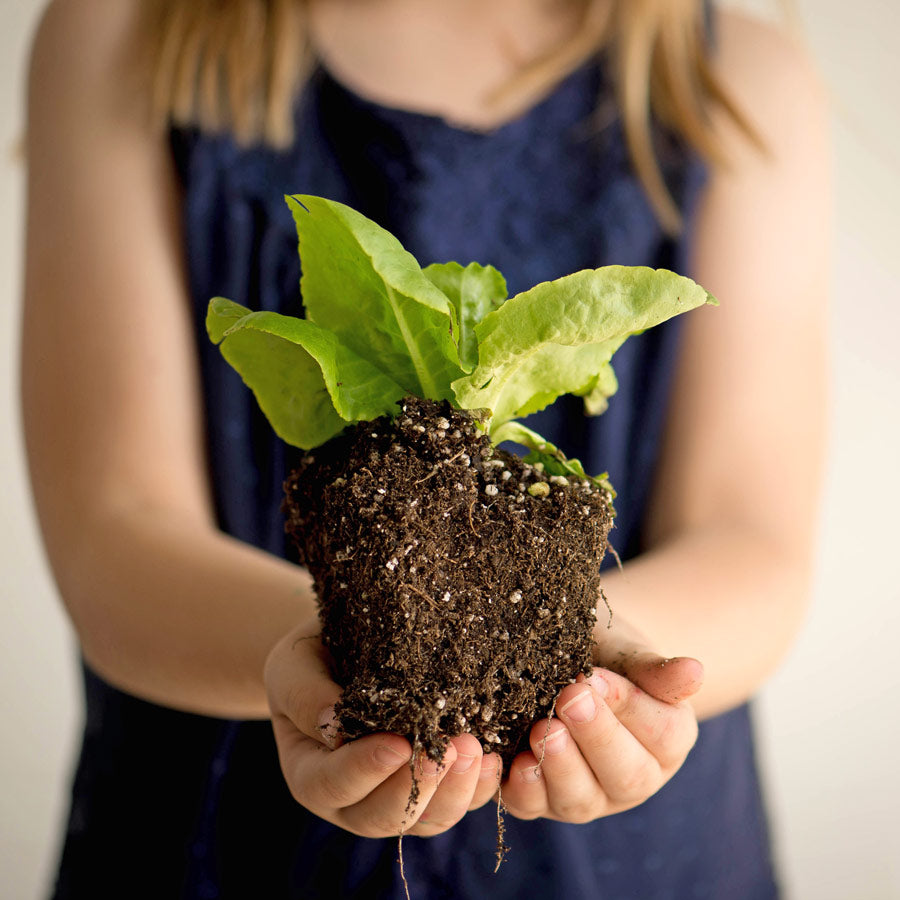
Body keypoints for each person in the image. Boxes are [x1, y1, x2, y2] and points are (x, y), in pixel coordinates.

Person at [21, 0, 829, 897]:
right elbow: (115, 527)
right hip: (222, 836)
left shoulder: (735, 77)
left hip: (628, 857)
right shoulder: (126, 28)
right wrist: (329, 656)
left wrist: (589, 668)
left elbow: (751, 539)